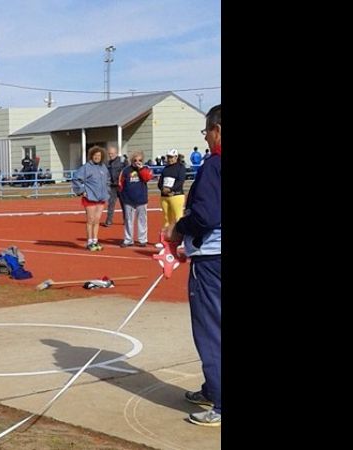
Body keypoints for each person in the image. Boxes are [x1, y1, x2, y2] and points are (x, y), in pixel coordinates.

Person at [166, 104, 221, 427]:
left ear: (216, 130)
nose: (207, 137)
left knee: (210, 328)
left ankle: (219, 398)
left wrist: (180, 230)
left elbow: (206, 215)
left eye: (207, 131)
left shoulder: (214, 165)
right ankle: (212, 387)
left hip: (212, 259)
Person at [71, 146, 109, 251]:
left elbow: (107, 180)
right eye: (95, 155)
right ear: (91, 156)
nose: (97, 157)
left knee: (97, 220)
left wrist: (107, 191)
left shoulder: (103, 167)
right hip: (90, 198)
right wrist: (82, 191)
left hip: (101, 198)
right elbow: (76, 178)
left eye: (99, 156)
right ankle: (89, 242)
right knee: (90, 220)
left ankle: (95, 240)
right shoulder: (86, 167)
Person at [118, 150, 153, 247]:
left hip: (141, 200)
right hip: (128, 200)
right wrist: (124, 197)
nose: (137, 161)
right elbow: (120, 184)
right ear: (131, 160)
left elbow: (147, 178)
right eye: (135, 160)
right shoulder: (126, 170)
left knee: (142, 220)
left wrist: (141, 169)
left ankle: (142, 239)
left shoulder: (146, 168)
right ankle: (128, 239)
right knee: (128, 220)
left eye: (140, 160)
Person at [156, 148, 186, 248]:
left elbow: (181, 181)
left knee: (178, 218)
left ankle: (181, 240)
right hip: (164, 197)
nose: (169, 159)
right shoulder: (165, 168)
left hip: (176, 196)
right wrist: (162, 189)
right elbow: (160, 182)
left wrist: (171, 189)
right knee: (166, 218)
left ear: (176, 157)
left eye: (171, 157)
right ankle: (164, 239)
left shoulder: (181, 167)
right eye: (168, 157)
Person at [103, 145, 126, 227]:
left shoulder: (122, 161)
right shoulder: (107, 163)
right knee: (111, 204)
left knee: (124, 204)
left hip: (121, 186)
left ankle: (126, 220)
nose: (110, 155)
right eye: (109, 154)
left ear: (116, 153)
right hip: (112, 187)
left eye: (112, 153)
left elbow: (127, 171)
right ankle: (109, 221)